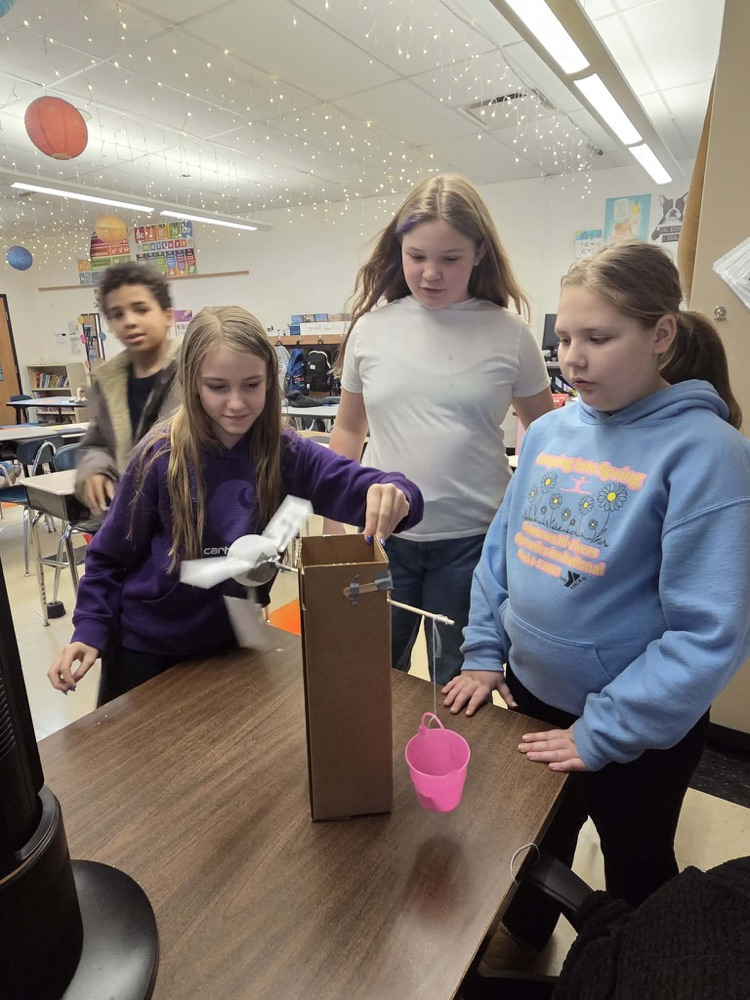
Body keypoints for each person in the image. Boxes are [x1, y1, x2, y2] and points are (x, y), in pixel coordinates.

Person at [443, 238, 750, 974]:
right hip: (532, 699)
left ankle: (637, 973)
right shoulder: (548, 430)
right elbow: (501, 553)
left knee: (636, 863)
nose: (572, 359)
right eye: (565, 339)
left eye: (598, 339)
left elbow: (709, 632)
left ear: (661, 334)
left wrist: (605, 729)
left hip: (638, 727)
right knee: (532, 847)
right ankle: (520, 940)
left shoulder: (707, 453)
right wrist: (485, 652)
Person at [48, 306, 423, 706]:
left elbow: (375, 489)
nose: (236, 403)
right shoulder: (160, 457)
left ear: (270, 381)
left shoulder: (286, 454)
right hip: (147, 647)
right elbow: (108, 557)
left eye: (251, 385)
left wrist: (396, 492)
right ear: (193, 383)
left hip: (233, 642)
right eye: (217, 386)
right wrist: (89, 628)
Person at [326, 175, 554, 685]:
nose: (430, 273)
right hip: (380, 535)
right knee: (373, 670)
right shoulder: (371, 329)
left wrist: (535, 524)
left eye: (450, 258)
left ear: (478, 253)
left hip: (473, 540)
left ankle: (447, 763)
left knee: (460, 676)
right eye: (416, 256)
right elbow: (347, 429)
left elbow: (547, 435)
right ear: (398, 251)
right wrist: (332, 525)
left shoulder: (508, 332)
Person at [75, 261, 181, 515]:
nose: (130, 321)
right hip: (133, 516)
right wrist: (94, 471)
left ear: (168, 315)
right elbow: (96, 443)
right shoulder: (107, 381)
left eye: (141, 309)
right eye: (117, 314)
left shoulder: (198, 368)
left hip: (189, 510)